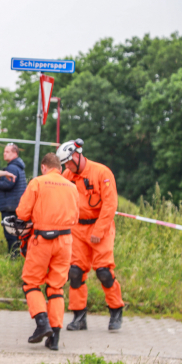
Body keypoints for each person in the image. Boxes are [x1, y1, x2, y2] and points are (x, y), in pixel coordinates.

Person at [58, 139, 125, 331]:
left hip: (100, 228)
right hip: (78, 228)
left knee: (104, 272)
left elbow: (110, 204)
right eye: (65, 164)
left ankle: (116, 310)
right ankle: (79, 317)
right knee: (75, 272)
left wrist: (98, 230)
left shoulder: (102, 173)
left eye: (68, 162)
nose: (67, 167)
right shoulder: (67, 175)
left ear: (76, 155)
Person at [16, 153, 80, 350]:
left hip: (42, 240)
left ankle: (42, 323)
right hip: (65, 241)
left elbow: (22, 213)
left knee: (31, 282)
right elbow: (76, 216)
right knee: (56, 287)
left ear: (44, 167)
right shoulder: (72, 187)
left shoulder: (38, 182)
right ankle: (55, 337)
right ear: (59, 168)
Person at [0, 143, 27, 254]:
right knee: (16, 232)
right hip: (16, 205)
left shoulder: (12, 168)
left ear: (15, 153)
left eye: (7, 152)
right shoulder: (18, 167)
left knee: (10, 233)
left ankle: (13, 255)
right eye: (4, 151)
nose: (4, 154)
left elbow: (8, 185)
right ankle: (17, 254)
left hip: (9, 206)